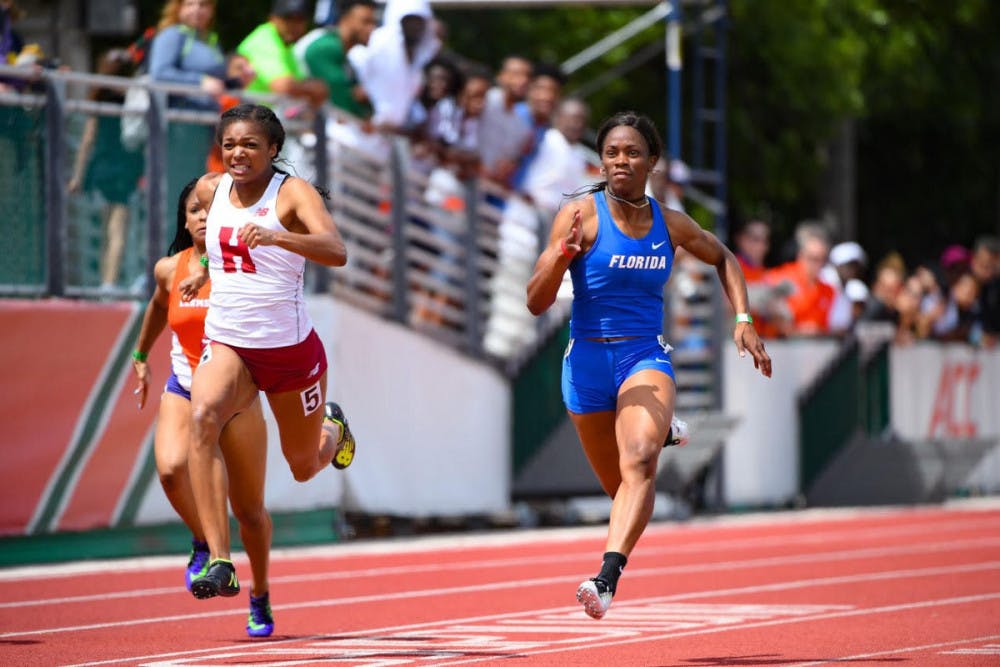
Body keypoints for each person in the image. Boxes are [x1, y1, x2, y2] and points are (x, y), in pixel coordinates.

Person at [525, 111, 771, 620]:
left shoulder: (670, 223)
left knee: (638, 462)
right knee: (623, 488)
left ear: (652, 162)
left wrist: (743, 317)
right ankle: (664, 430)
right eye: (612, 152)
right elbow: (534, 301)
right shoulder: (580, 216)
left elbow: (724, 256)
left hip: (643, 354)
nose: (621, 160)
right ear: (601, 158)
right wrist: (559, 258)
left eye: (632, 152)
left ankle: (606, 578)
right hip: (586, 360)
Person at [180, 103, 357, 601]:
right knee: (203, 418)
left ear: (273, 149)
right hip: (230, 341)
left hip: (289, 353)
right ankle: (219, 559)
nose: (239, 153)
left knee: (303, 466)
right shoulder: (210, 189)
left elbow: (336, 251)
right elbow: (206, 240)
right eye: (231, 144)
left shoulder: (291, 193)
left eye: (251, 145)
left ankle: (332, 427)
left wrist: (279, 236)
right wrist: (201, 268)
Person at [131, 179, 275, 637]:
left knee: (249, 511)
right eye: (192, 210)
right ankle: (209, 548)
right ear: (183, 217)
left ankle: (261, 592)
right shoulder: (170, 269)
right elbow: (158, 307)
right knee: (172, 470)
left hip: (236, 399)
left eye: (208, 210)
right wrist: (139, 356)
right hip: (185, 386)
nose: (198, 217)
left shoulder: (243, 266)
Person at [67, 48, 145, 293]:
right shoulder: (134, 98)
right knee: (118, 226)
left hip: (102, 165)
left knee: (106, 226)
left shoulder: (99, 95)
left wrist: (78, 175)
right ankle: (108, 283)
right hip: (126, 164)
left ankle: (105, 282)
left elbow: (88, 138)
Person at [237, 0, 329, 108]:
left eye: (299, 20)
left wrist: (309, 88)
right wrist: (311, 90)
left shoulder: (287, 45)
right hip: (246, 117)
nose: (293, 25)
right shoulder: (264, 40)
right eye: (288, 18)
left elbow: (299, 82)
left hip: (264, 118)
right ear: (272, 19)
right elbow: (283, 86)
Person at [294, 0, 378, 119]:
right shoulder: (327, 47)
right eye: (366, 22)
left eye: (374, 22)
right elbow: (340, 101)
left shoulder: (345, 55)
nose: (372, 28)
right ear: (345, 20)